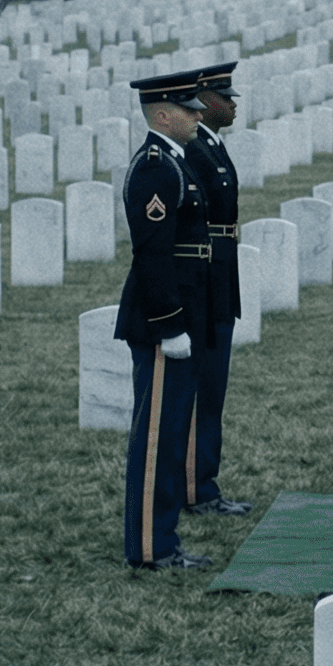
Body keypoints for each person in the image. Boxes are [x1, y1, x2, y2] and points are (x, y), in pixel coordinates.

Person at [114, 68, 227, 570]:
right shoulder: (156, 167)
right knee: (156, 437)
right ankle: (149, 547)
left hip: (186, 316)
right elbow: (153, 254)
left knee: (173, 430)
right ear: (163, 114)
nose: (200, 113)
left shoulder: (176, 163)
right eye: (189, 108)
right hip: (166, 322)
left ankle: (164, 539)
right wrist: (169, 323)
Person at [181, 62, 252, 519]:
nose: (233, 104)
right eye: (225, 98)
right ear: (206, 103)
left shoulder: (213, 146)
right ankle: (195, 486)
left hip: (221, 277)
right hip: (204, 280)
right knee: (201, 389)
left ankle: (205, 481)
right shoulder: (194, 151)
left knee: (214, 387)